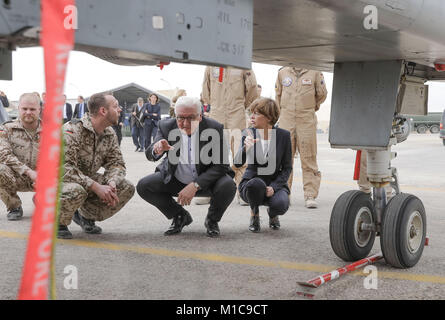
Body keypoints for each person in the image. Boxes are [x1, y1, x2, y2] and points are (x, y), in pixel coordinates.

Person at [136, 96, 236, 238]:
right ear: (175, 116)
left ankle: (212, 220)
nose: (185, 123)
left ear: (200, 116)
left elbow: (221, 165)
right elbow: (151, 153)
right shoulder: (166, 126)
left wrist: (196, 185)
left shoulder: (214, 128)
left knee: (228, 185)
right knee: (144, 186)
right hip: (176, 179)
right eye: (180, 118)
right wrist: (156, 149)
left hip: (206, 182)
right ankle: (179, 216)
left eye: (191, 118)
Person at [58, 92, 135, 239]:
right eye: (116, 106)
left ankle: (85, 216)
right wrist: (96, 186)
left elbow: (116, 163)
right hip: (58, 180)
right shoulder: (72, 130)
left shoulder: (109, 132)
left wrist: (112, 182)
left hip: (84, 179)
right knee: (76, 190)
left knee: (125, 187)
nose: (120, 110)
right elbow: (65, 169)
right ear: (103, 111)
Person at [201, 66, 259, 205]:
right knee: (211, 153)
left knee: (241, 152)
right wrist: (213, 103)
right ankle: (208, 190)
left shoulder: (242, 65)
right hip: (217, 111)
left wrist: (242, 105)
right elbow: (206, 87)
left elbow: (252, 88)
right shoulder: (210, 65)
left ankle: (243, 190)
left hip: (236, 113)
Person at [234, 98, 292, 232]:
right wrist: (244, 149)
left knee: (281, 204)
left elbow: (287, 167)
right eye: (251, 113)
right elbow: (237, 163)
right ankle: (254, 214)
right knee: (255, 184)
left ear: (269, 117)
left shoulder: (283, 136)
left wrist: (274, 186)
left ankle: (273, 215)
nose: (251, 117)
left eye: (256, 113)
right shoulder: (248, 133)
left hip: (274, 183)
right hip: (252, 184)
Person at [275, 66, 327, 208]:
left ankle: (310, 195)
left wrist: (310, 107)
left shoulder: (315, 71)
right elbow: (278, 95)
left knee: (309, 157)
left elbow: (321, 94)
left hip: (306, 119)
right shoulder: (282, 72)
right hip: (287, 119)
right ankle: (284, 193)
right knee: (284, 159)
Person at [0, 93, 41, 221]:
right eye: (24, 109)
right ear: (18, 108)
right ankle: (14, 206)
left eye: (32, 109)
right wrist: (28, 172)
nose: (28, 112)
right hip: (17, 176)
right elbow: (4, 155)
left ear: (39, 109)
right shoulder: (7, 129)